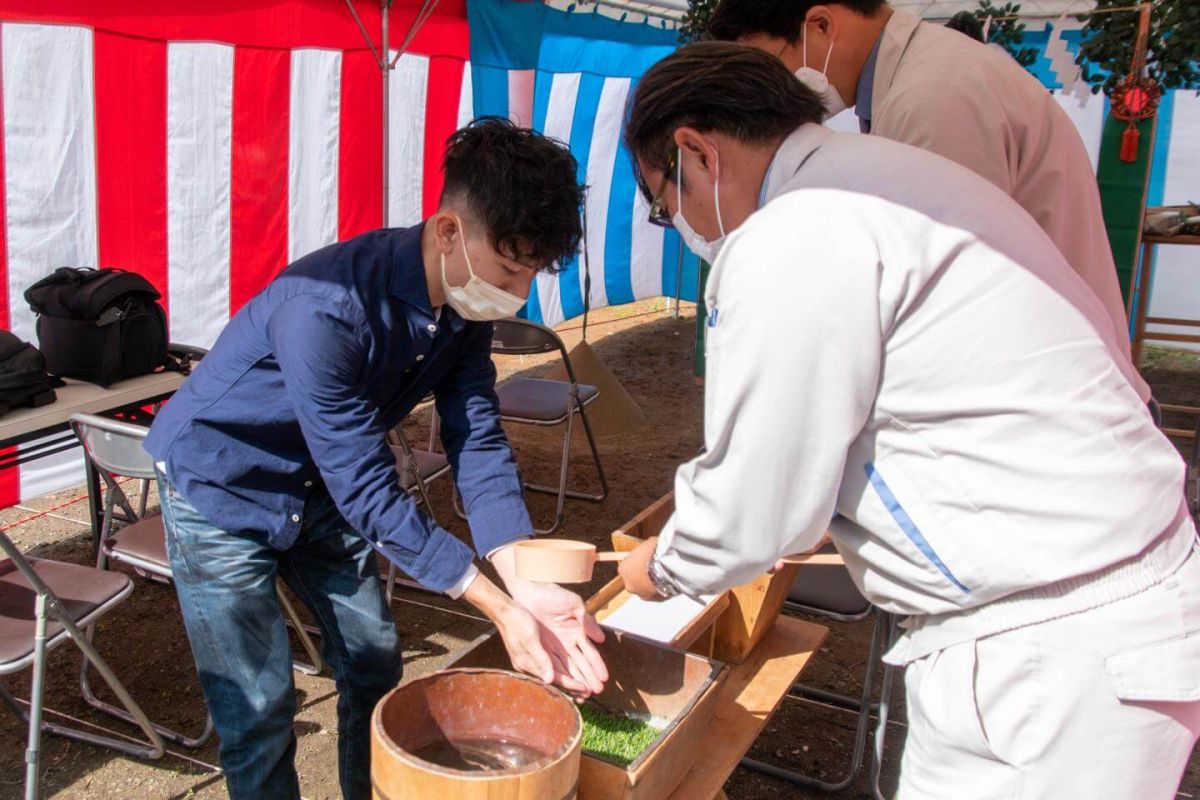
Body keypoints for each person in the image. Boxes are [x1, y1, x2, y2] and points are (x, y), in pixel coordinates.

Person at [618, 42, 1200, 798]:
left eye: (667, 204)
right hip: (1100, 604)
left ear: (693, 150)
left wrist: (660, 568)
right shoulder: (890, 177)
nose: (683, 225)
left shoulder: (793, 228)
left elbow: (755, 500)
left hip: (1049, 654)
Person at [145, 118, 608, 800]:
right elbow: (365, 488)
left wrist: (521, 580)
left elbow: (475, 433)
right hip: (223, 487)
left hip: (320, 487)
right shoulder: (326, 307)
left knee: (372, 660)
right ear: (449, 230)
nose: (518, 291)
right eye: (511, 268)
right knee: (260, 706)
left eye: (532, 271)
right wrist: (497, 608)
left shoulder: (462, 302)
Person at [706, 0, 1152, 405]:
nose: (771, 89)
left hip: (1057, 397)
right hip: (1050, 383)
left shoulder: (932, 98)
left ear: (820, 24)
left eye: (769, 65)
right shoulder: (921, 75)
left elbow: (942, 290)